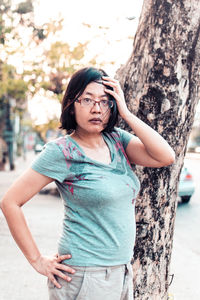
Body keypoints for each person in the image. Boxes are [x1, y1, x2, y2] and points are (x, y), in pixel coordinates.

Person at [0, 67, 175, 300]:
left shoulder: (117, 141)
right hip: (85, 275)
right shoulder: (61, 151)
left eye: (105, 101)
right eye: (87, 100)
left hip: (121, 270)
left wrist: (127, 114)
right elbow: (10, 202)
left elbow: (165, 156)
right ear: (72, 103)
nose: (97, 108)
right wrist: (37, 260)